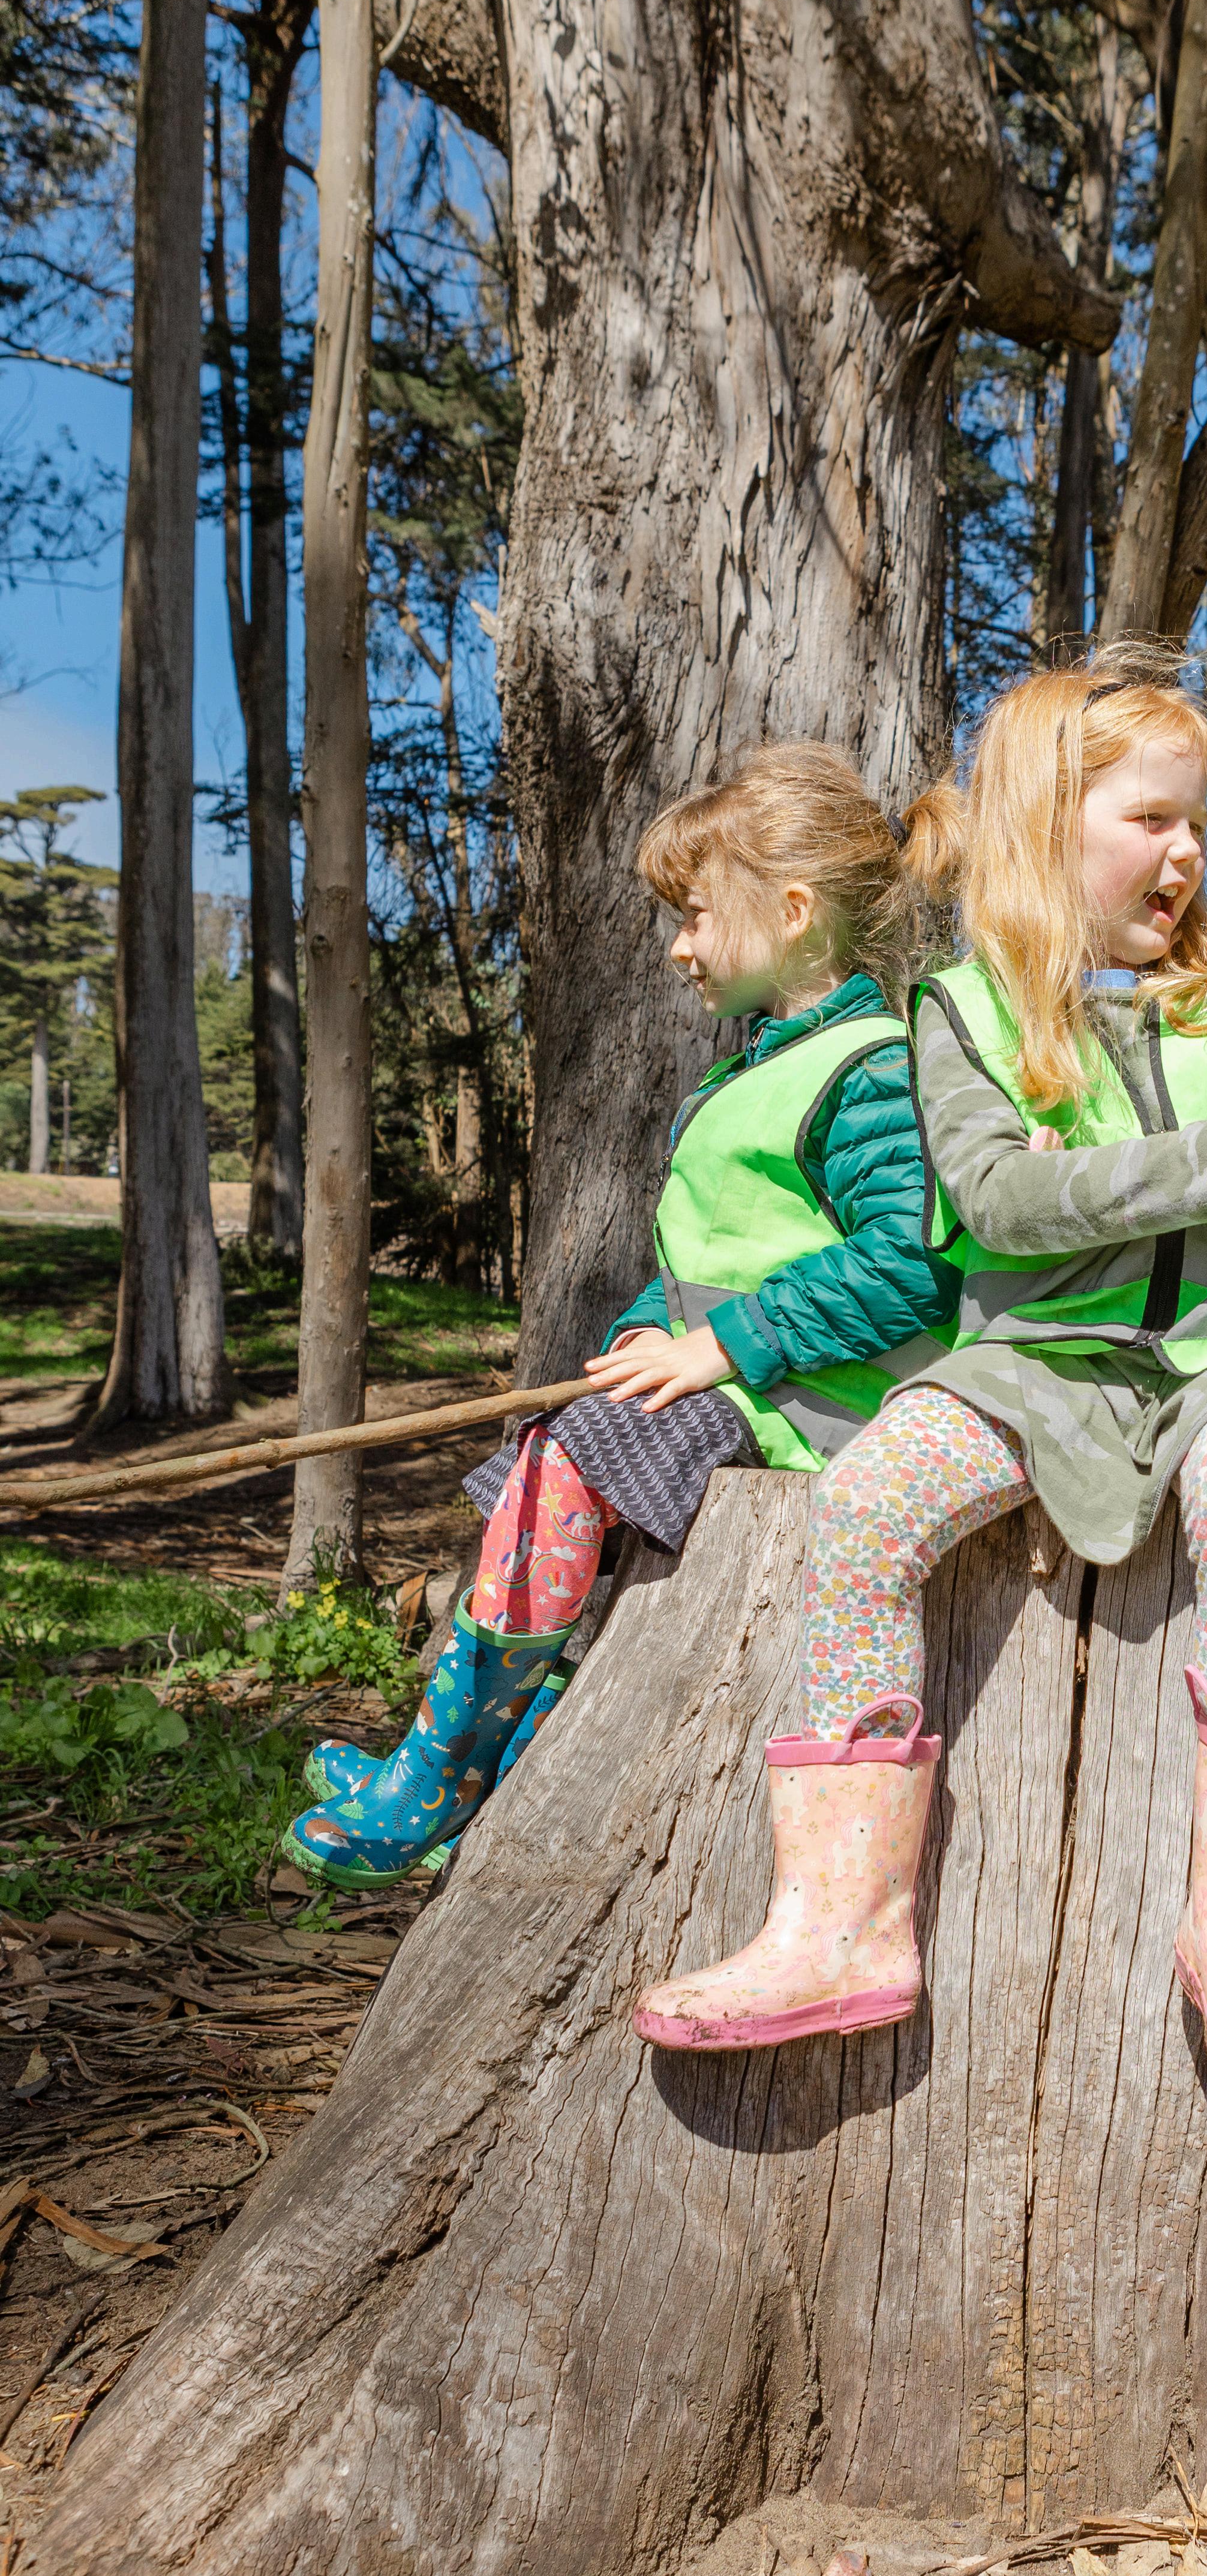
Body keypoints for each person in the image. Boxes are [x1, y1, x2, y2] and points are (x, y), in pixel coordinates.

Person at [630, 660, 1207, 2088]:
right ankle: (841, 1918)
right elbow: (1001, 1202)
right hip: (1040, 1361)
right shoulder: (963, 1011)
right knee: (866, 1500)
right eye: (1151, 818)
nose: (1187, 851)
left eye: (1197, 821)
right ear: (1045, 829)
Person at [283, 746, 962, 1892]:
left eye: (696, 915)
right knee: (546, 1454)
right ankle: (487, 1762)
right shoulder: (755, 1072)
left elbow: (911, 1264)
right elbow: (697, 1259)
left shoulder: (871, 1069)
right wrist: (637, 1343)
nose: (678, 947)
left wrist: (722, 1346)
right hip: (747, 1379)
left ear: (793, 913)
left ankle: (436, 1778)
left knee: (570, 1467)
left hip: (815, 1403)